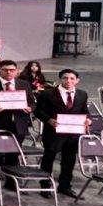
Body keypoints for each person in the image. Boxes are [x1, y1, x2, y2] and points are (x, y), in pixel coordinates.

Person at [35, 69, 89, 199]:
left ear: (77, 81)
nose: (68, 81)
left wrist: (88, 119)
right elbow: (38, 111)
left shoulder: (82, 94)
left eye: (72, 78)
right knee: (48, 159)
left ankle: (65, 186)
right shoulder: (48, 94)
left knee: (69, 161)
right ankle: (45, 186)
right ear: (61, 79)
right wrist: (48, 120)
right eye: (65, 78)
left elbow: (84, 110)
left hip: (73, 134)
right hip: (53, 133)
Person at [0, 59, 34, 146]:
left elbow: (32, 102)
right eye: (5, 70)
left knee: (14, 154)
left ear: (16, 71)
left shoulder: (24, 84)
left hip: (18, 124)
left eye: (12, 70)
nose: (8, 72)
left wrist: (30, 108)